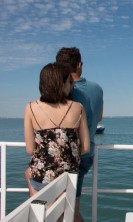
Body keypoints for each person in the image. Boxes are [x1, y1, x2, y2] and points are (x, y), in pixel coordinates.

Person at [24, 62, 90, 196]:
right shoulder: (78, 108)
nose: (71, 86)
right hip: (68, 179)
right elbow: (86, 148)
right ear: (61, 83)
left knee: (29, 175)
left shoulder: (30, 108)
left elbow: (30, 150)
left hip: (42, 178)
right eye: (69, 82)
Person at [56, 47, 103, 222]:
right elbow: (98, 117)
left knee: (65, 211)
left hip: (65, 156)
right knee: (70, 208)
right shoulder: (97, 88)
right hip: (87, 155)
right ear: (79, 64)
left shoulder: (62, 91)